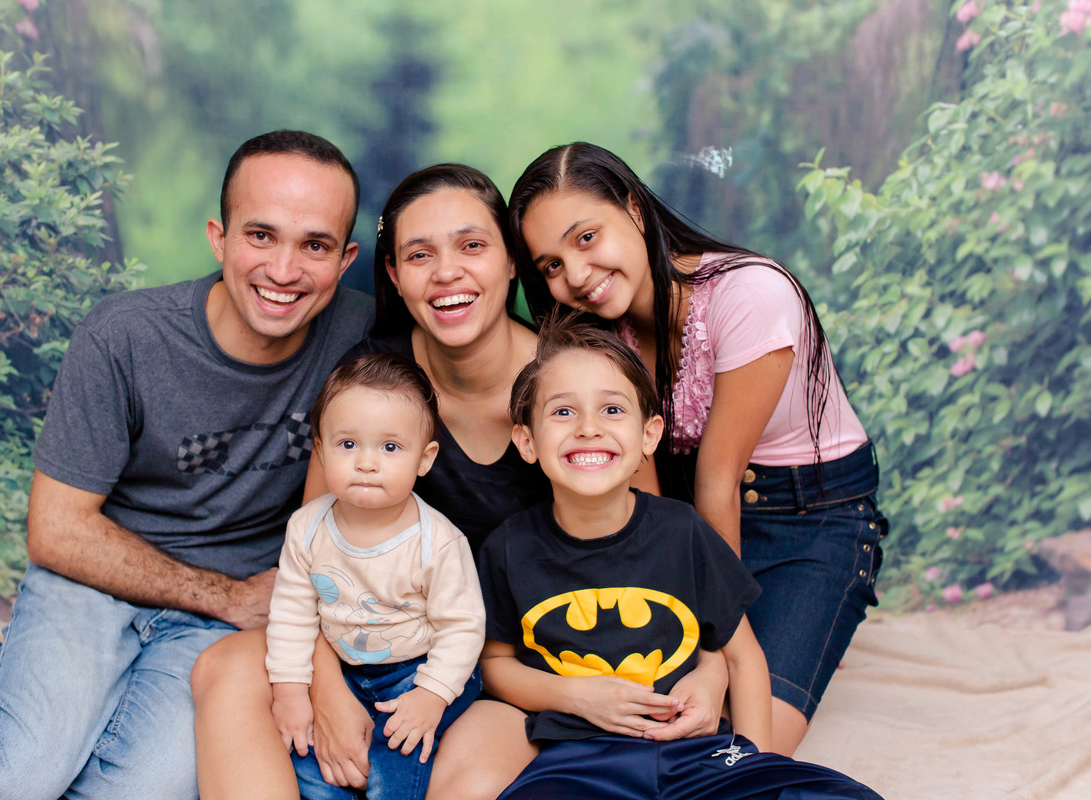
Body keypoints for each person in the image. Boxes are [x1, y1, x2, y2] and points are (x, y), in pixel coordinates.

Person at [193, 164, 732, 800]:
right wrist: (326, 688)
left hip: (516, 671)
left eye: (472, 246)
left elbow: (659, 549)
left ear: (510, 263)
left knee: (469, 775)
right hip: (378, 643)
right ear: (394, 275)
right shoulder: (373, 381)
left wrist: (712, 667)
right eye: (420, 255)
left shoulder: (581, 387)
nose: (447, 272)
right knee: (225, 667)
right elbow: (312, 558)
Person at [0, 129, 374, 800]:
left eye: (314, 246)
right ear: (219, 237)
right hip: (98, 583)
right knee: (12, 779)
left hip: (214, 628)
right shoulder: (125, 334)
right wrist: (229, 597)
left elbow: (480, 359)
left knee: (137, 794)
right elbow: (56, 531)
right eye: (261, 236)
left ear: (347, 258)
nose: (285, 270)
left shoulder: (363, 336)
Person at [507, 141, 889, 756]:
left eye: (585, 238)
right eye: (550, 265)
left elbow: (718, 477)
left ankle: (814, 613)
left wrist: (713, 655)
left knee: (743, 738)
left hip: (809, 523)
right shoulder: (604, 335)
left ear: (633, 208)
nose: (574, 276)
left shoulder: (750, 295)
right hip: (698, 526)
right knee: (655, 717)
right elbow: (643, 491)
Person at [479, 317, 883, 799]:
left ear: (648, 436)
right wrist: (572, 696)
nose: (589, 428)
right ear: (527, 440)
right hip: (577, 763)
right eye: (563, 413)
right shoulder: (508, 548)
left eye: (612, 409)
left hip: (694, 751)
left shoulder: (682, 532)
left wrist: (755, 762)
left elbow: (744, 657)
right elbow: (494, 664)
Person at [267, 352, 484, 800]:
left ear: (424, 459)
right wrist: (290, 690)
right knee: (309, 762)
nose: (367, 462)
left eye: (390, 447)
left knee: (394, 764)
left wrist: (432, 695)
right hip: (347, 672)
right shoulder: (306, 528)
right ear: (321, 450)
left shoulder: (437, 542)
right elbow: (291, 613)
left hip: (422, 670)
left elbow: (462, 628)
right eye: (348, 445)